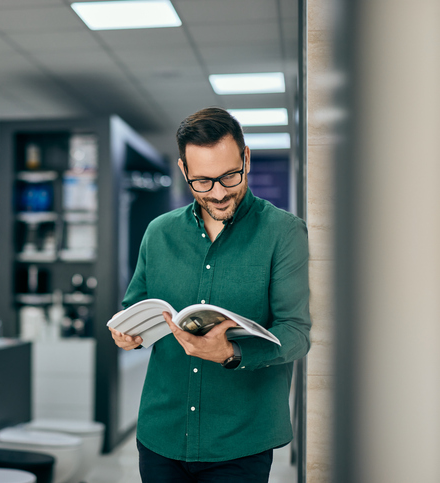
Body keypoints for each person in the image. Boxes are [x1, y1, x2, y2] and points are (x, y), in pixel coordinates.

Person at [109, 107, 311, 482]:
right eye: (202, 181)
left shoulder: (284, 233)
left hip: (240, 442)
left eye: (229, 176)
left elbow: (297, 334)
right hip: (161, 435)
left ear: (246, 158)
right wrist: (128, 335)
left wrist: (234, 352)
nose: (218, 193)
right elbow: (134, 306)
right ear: (184, 171)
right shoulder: (160, 232)